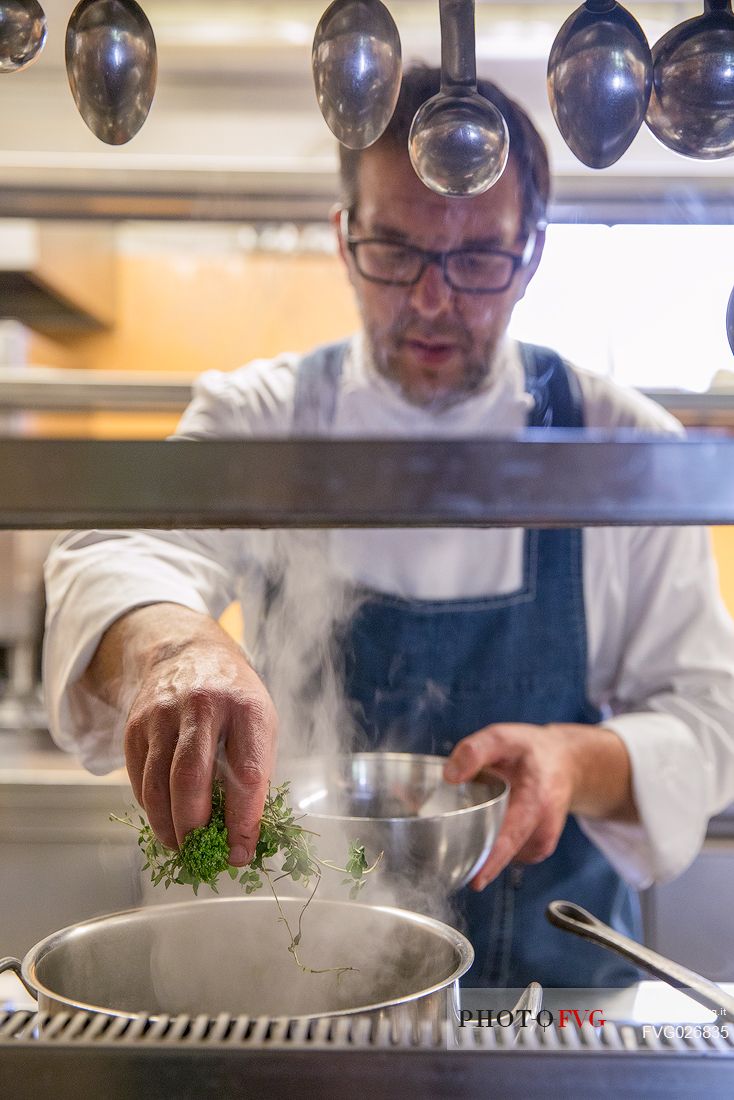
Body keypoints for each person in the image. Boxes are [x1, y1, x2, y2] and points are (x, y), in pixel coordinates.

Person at [43, 67, 734, 989]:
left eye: (478, 258)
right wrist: (172, 649)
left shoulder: (617, 445)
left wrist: (580, 760)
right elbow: (117, 550)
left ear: (530, 255)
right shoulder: (264, 417)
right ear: (344, 237)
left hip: (555, 998)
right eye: (397, 251)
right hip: (310, 990)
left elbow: (712, 723)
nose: (434, 301)